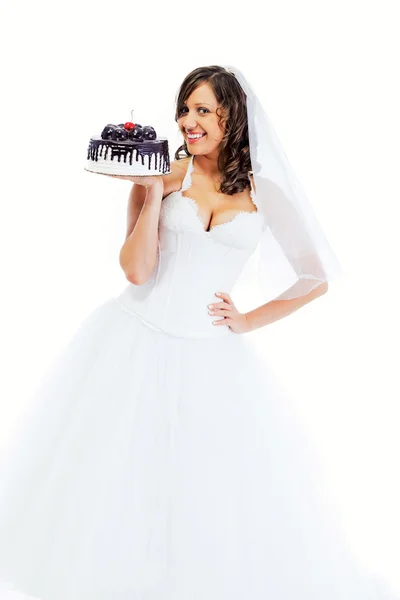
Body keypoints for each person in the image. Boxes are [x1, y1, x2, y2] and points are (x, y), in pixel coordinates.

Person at [0, 65, 397, 600]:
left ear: (231, 116)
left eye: (202, 110)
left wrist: (249, 319)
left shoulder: (263, 191)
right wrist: (146, 193)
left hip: (212, 360)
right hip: (134, 340)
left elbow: (315, 277)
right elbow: (136, 271)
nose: (189, 121)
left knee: (205, 492)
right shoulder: (167, 174)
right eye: (184, 109)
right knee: (121, 481)